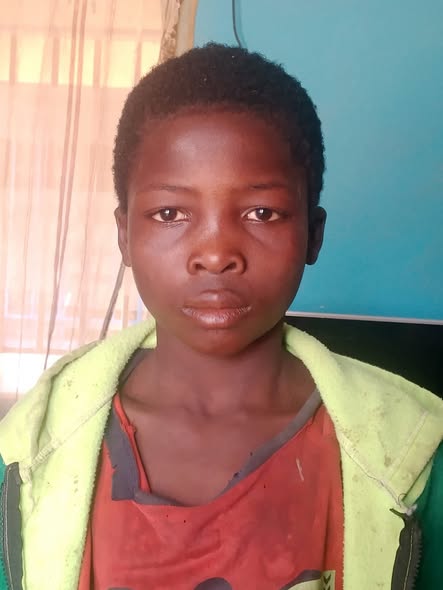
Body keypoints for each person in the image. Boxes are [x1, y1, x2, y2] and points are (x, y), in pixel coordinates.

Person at [0, 43, 442, 590]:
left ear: (313, 235)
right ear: (125, 235)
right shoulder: (30, 448)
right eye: (170, 213)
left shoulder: (412, 454)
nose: (215, 253)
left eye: (261, 212)